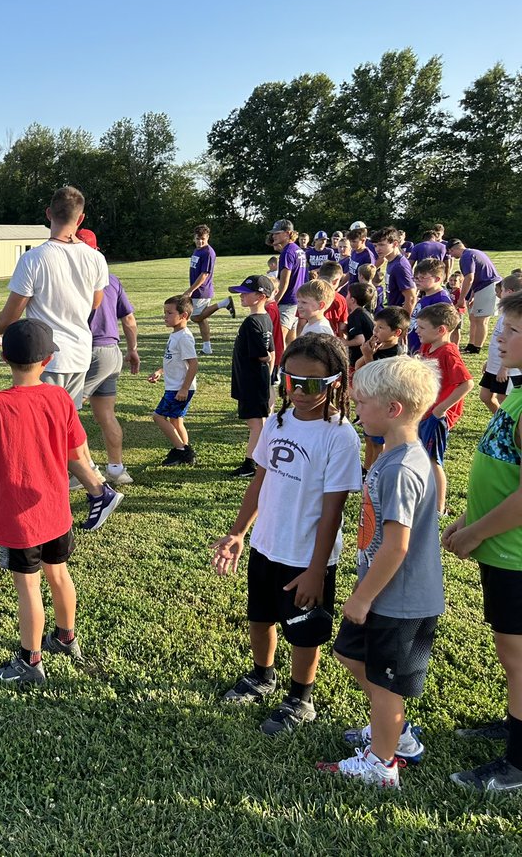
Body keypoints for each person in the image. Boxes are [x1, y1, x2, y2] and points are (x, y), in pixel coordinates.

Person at [211, 334, 361, 735]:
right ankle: (263, 675)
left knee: (303, 634)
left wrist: (316, 569)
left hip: (306, 558)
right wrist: (239, 532)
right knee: (260, 620)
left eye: (311, 383)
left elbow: (333, 511)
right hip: (266, 546)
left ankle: (300, 698)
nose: (298, 391)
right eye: (289, 380)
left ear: (335, 384)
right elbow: (259, 482)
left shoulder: (339, 435)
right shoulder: (278, 420)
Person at [0, 318, 120, 685]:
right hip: (56, 511)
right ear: (48, 360)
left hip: (19, 518)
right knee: (59, 574)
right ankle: (66, 638)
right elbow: (76, 448)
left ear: (4, 358)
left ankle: (30, 662)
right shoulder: (60, 397)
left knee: (28, 586)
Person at [316, 356, 442, 788]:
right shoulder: (391, 456)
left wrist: (364, 596)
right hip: (383, 591)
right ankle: (395, 730)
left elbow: (397, 545)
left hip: (399, 598)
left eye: (363, 403)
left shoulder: (403, 468)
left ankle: (382, 763)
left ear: (393, 410)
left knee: (386, 686)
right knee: (350, 655)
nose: (356, 411)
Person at [443, 290, 522, 790]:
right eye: (504, 327)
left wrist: (475, 532)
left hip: (515, 554)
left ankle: (519, 762)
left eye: (513, 332)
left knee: (517, 654)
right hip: (501, 547)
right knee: (510, 651)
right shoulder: (516, 391)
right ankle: (516, 720)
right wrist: (468, 520)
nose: (500, 336)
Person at [0, 185, 109, 425]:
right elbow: (96, 302)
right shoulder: (96, 258)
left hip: (44, 356)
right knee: (64, 424)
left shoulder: (34, 258)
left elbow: (12, 313)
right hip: (80, 354)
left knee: (40, 427)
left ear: (48, 214)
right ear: (81, 218)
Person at [78, 233, 140, 486]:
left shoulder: (76, 280)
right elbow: (129, 320)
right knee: (106, 415)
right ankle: (116, 469)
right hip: (112, 353)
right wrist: (133, 350)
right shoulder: (112, 280)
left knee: (65, 413)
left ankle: (83, 470)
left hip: (90, 352)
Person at [414, 303, 474, 515]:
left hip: (436, 417)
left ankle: (439, 508)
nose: (417, 331)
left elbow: (467, 383)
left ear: (441, 330)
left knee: (433, 460)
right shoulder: (426, 347)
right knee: (420, 456)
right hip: (424, 412)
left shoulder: (448, 352)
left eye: (421, 327)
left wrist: (441, 410)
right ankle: (423, 499)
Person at [227, 274, 275, 478]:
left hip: (251, 381)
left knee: (255, 424)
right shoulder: (266, 319)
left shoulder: (252, 323)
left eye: (245, 294)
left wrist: (265, 377)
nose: (241, 297)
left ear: (260, 296)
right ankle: (259, 458)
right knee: (257, 422)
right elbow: (272, 352)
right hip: (257, 380)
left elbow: (263, 355)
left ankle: (251, 464)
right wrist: (269, 380)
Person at [355, 306, 410, 471]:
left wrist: (369, 357)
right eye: (375, 326)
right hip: (370, 402)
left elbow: (379, 381)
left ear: (397, 332)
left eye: (381, 327)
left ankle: (374, 471)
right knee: (369, 439)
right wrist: (365, 354)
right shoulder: (377, 346)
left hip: (382, 406)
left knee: (378, 443)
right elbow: (358, 368)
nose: (375, 330)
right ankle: (366, 469)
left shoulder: (395, 354)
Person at [146, 295, 198, 466]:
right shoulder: (176, 334)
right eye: (164, 312)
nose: (165, 316)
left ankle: (181, 451)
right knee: (176, 421)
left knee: (158, 416)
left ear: (183, 316)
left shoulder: (184, 337)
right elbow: (175, 360)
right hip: (174, 386)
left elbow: (193, 364)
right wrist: (160, 371)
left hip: (179, 388)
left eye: (169, 313)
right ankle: (186, 452)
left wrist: (183, 389)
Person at [451, 240, 503, 354]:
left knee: (481, 320)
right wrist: (473, 295)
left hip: (488, 287)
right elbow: (477, 276)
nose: (451, 255)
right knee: (473, 317)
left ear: (454, 249)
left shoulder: (466, 257)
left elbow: (469, 278)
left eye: (450, 252)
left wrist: (461, 299)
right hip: (482, 287)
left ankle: (476, 348)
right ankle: (471, 345)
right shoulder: (474, 252)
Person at [480, 274, 522, 413]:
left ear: (509, 292)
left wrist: (504, 368)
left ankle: (507, 425)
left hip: (506, 369)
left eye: (501, 290)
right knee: (485, 396)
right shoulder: (505, 314)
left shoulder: (515, 317)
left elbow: (511, 344)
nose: (499, 293)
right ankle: (499, 422)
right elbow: (497, 340)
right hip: (495, 364)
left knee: (503, 399)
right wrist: (490, 361)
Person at [271, 219, 308, 348]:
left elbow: (284, 282)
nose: (273, 235)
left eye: (277, 233)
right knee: (291, 343)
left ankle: (278, 368)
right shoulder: (298, 250)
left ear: (287, 234)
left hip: (288, 301)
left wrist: (274, 302)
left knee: (278, 341)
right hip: (298, 300)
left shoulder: (287, 252)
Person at [406, 257, 454, 355]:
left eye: (422, 278)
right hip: (415, 347)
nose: (417, 281)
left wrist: (429, 351)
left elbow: (444, 331)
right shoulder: (425, 296)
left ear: (437, 279)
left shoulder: (441, 300)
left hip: (425, 352)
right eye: (416, 277)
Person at [186, 224, 217, 355]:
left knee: (196, 317)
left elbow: (204, 274)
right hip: (198, 290)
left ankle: (223, 304)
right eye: (198, 239)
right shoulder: (196, 251)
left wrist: (190, 290)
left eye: (203, 238)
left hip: (202, 290)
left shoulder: (208, 252)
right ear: (194, 238)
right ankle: (207, 347)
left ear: (208, 237)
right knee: (201, 319)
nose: (200, 241)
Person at [373, 227, 417, 316]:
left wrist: (403, 323)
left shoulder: (400, 266)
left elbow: (411, 298)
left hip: (398, 317)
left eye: (381, 245)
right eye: (375, 246)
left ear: (395, 244)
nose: (377, 249)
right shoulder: (391, 261)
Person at [345, 282, 376, 372]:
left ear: (352, 300)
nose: (346, 296)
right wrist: (347, 327)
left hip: (360, 358)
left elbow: (360, 339)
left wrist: (345, 342)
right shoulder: (364, 312)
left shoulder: (354, 316)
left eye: (347, 294)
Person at [316, 262, 349, 338]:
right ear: (336, 281)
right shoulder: (340, 299)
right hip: (332, 340)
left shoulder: (308, 294)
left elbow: (301, 323)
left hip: (309, 337)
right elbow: (342, 327)